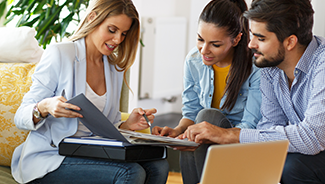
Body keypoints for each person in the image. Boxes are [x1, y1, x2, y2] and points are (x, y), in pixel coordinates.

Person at [11, 0, 169, 183]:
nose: (118, 40)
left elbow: (104, 126)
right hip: (52, 156)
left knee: (159, 165)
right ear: (93, 18)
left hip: (91, 153)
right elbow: (20, 117)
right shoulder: (60, 54)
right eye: (112, 30)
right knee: (130, 172)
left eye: (123, 34)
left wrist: (127, 125)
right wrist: (44, 107)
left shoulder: (113, 68)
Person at [181, 0, 325, 183]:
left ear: (290, 42)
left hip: (317, 151)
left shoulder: (322, 63)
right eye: (251, 35)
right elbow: (268, 127)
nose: (250, 44)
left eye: (261, 38)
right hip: (307, 151)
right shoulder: (270, 68)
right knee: (268, 160)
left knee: (291, 166)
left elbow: (312, 137)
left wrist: (229, 135)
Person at [152, 0, 261, 183]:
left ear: (236, 39)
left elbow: (250, 126)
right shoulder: (193, 60)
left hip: (241, 145)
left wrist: (213, 131)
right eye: (200, 39)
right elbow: (191, 112)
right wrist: (178, 131)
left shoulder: (255, 68)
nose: (204, 50)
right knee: (194, 130)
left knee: (206, 118)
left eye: (215, 44)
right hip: (206, 146)